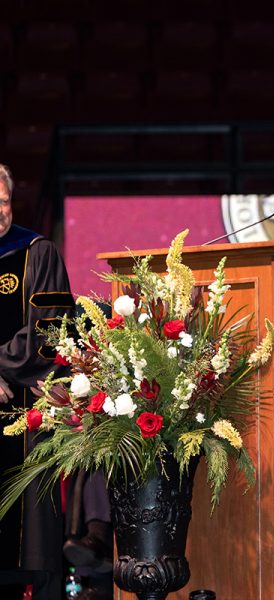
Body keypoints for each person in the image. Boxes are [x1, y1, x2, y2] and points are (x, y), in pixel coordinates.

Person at [0, 163, 76, 599]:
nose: (0, 211)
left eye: (4, 201)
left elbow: (51, 331)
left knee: (27, 553)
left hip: (23, 413)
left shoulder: (38, 252)